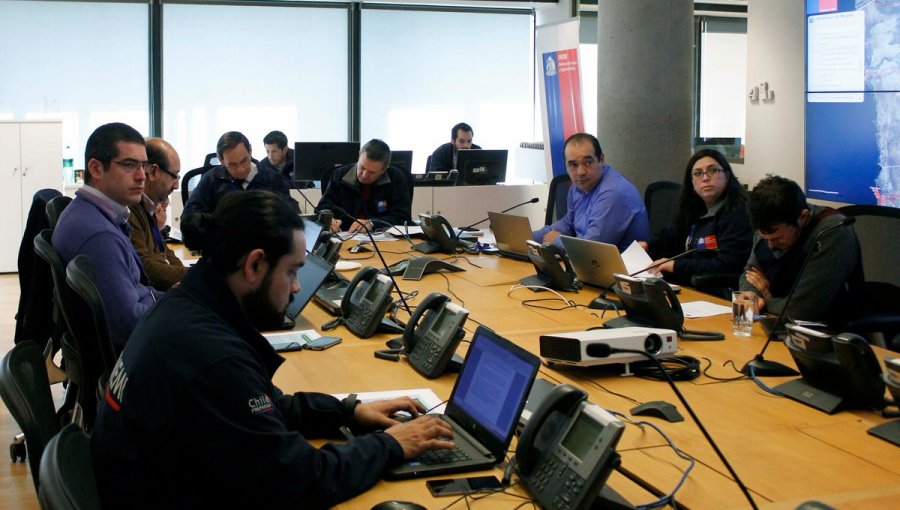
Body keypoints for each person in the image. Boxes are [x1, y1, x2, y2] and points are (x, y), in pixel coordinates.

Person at [91, 190, 454, 508]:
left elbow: (260, 407)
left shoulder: (187, 305)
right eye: (292, 271)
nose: (297, 288)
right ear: (254, 265)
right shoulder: (214, 358)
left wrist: (348, 412)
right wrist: (390, 445)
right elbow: (299, 481)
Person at [52, 122, 162, 352]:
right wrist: (183, 309)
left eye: (143, 165)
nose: (142, 176)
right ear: (95, 168)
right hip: (137, 356)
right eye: (129, 165)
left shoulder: (86, 212)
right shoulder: (99, 235)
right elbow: (128, 324)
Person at [738, 175, 863, 325]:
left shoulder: (833, 230)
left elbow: (800, 310)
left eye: (777, 238)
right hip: (773, 321)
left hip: (824, 329)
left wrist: (767, 296)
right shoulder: (768, 223)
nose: (770, 245)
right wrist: (751, 295)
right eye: (764, 239)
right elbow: (750, 273)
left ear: (802, 217)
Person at [641, 149, 753, 287]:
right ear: (691, 182)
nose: (705, 178)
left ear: (728, 176)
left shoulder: (738, 213)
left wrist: (677, 265)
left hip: (716, 292)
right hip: (687, 286)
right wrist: (648, 245)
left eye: (713, 171)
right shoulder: (694, 210)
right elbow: (672, 235)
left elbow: (728, 264)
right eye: (698, 174)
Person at [532, 133, 650, 251]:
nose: (580, 172)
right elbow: (568, 224)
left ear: (601, 160)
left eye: (588, 163)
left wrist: (556, 240)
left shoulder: (613, 192)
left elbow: (591, 248)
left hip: (625, 267)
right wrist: (528, 237)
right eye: (573, 165)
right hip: (589, 264)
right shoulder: (578, 187)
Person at [182, 131, 296, 218]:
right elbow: (188, 217)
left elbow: (292, 215)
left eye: (244, 161)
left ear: (250, 151)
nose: (240, 169)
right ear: (221, 161)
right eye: (232, 165)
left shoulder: (271, 178)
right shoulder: (212, 179)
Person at [127, 138, 187, 291]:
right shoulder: (130, 210)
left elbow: (163, 251)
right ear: (153, 172)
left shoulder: (148, 206)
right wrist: (194, 276)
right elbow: (146, 266)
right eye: (175, 176)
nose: (177, 184)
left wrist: (189, 277)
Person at [316, 139, 412, 233]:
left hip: (383, 237)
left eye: (371, 172)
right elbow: (322, 208)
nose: (364, 175)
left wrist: (373, 223)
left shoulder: (396, 178)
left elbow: (402, 217)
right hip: (345, 234)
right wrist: (329, 221)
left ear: (384, 169)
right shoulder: (340, 175)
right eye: (362, 167)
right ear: (358, 156)